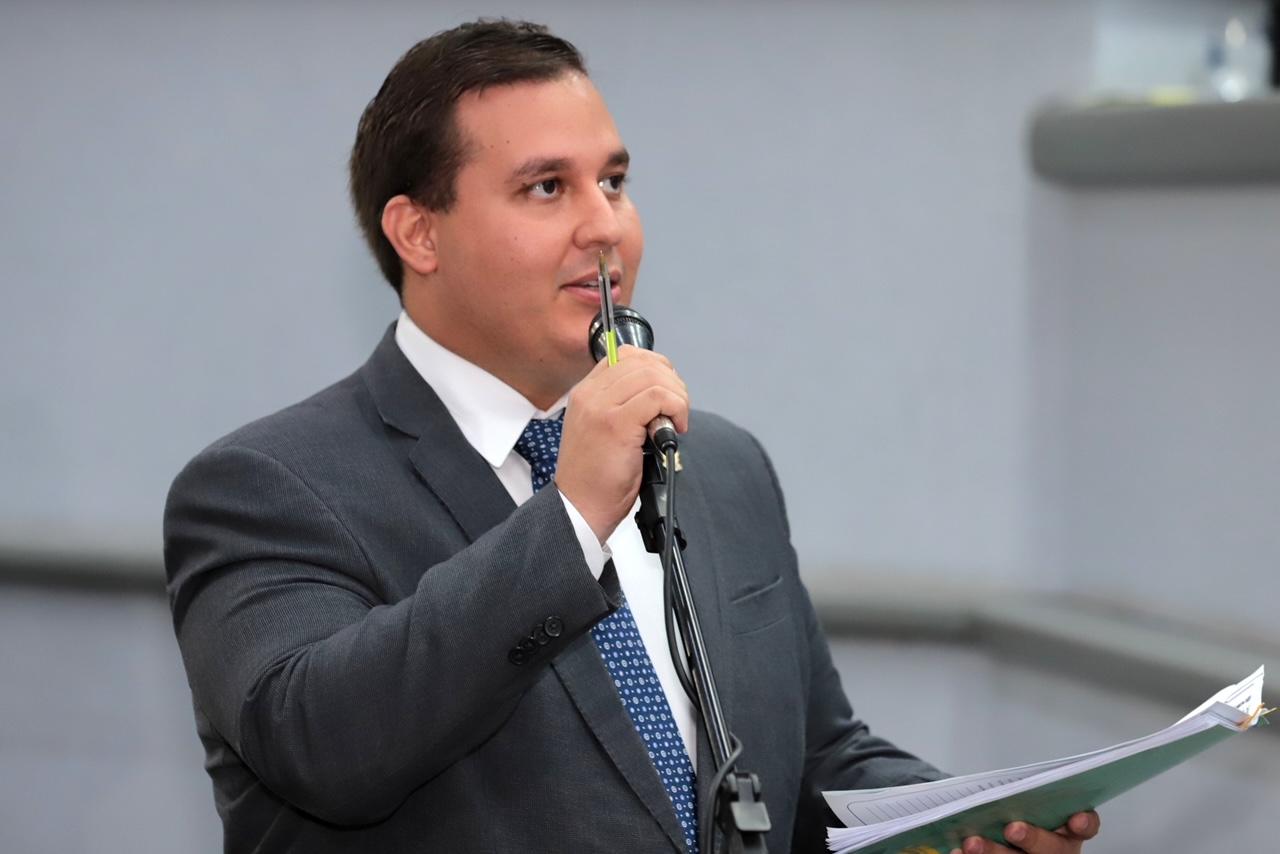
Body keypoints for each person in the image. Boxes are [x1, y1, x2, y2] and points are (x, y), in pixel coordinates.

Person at [163, 18, 1100, 854]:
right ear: (419, 233)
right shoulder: (263, 486)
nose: (605, 225)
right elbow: (324, 748)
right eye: (546, 188)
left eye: (613, 181)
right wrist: (571, 517)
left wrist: (962, 827)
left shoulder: (719, 463)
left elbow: (807, 761)